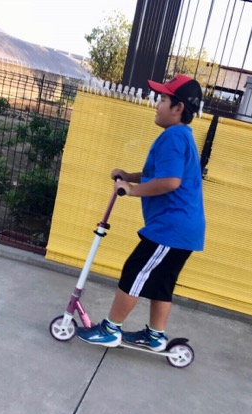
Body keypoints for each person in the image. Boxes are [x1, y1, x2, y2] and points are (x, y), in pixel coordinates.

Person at [76, 74, 206, 352]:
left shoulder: (173, 137)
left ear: (178, 107)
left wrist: (132, 190)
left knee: (134, 271)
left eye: (163, 99)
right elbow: (158, 174)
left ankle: (110, 330)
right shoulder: (182, 136)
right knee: (161, 283)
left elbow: (171, 182)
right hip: (185, 229)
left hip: (171, 228)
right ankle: (155, 336)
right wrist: (129, 176)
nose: (157, 104)